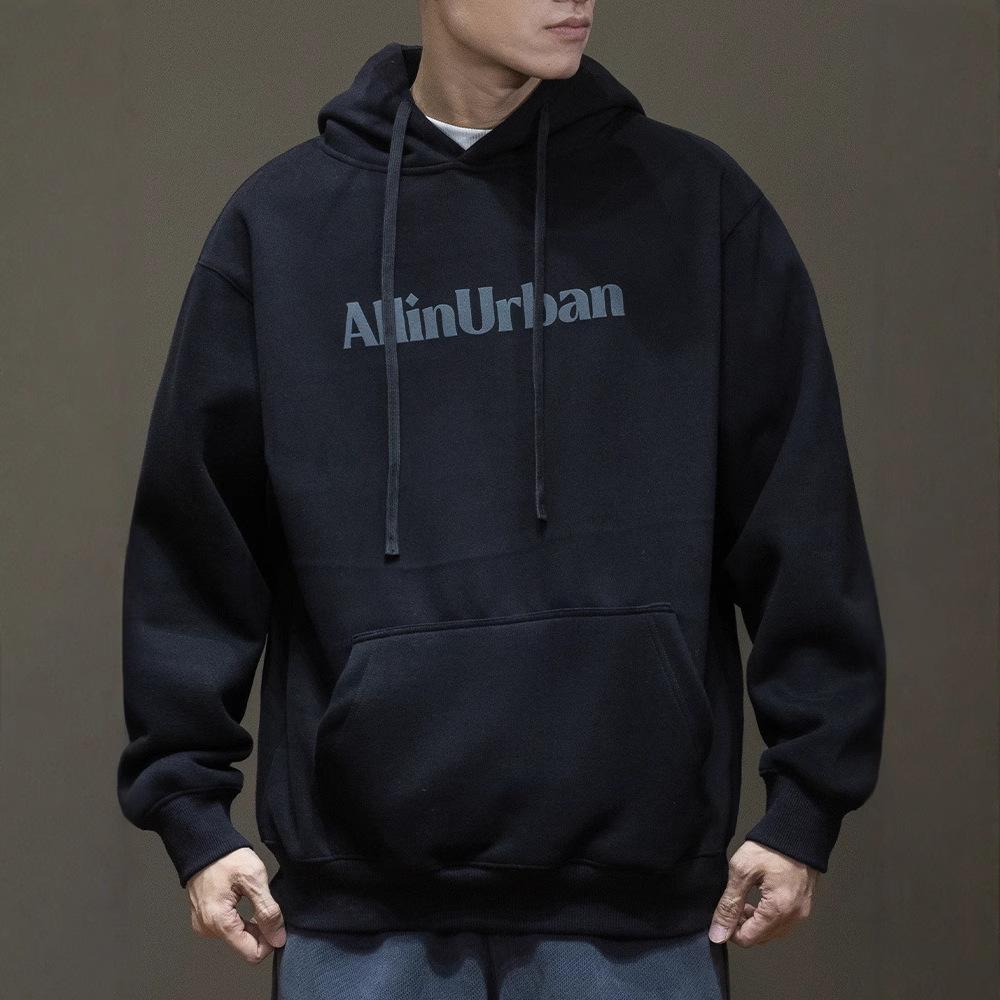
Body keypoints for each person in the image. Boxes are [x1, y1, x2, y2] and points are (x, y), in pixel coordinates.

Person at [116, 2, 887, 997]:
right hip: (360, 909)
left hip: (636, 902)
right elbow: (195, 540)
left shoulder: (695, 205)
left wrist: (806, 803)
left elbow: (800, 510)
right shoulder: (285, 225)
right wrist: (189, 811)